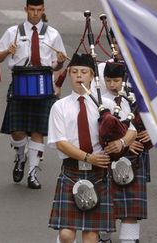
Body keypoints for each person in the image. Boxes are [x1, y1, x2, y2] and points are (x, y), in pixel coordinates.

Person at [48, 53, 136, 243]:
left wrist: (120, 143)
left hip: (98, 173)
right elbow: (60, 142)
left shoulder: (107, 105)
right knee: (66, 234)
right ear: (70, 75)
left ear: (92, 76)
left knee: (90, 236)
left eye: (84, 72)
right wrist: (88, 157)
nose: (79, 76)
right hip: (71, 171)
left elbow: (132, 131)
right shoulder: (60, 107)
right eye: (74, 72)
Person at [0, 0, 66, 189]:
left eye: (38, 10)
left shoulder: (52, 34)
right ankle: (20, 156)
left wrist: (59, 62)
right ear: (26, 10)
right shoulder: (13, 32)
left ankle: (33, 173)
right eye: (32, 10)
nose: (35, 13)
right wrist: (8, 51)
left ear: (43, 10)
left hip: (43, 82)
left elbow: (58, 64)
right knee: (17, 130)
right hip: (20, 81)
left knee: (38, 130)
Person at [101, 62, 150, 243]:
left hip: (133, 160)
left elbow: (149, 125)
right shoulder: (99, 100)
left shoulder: (135, 100)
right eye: (108, 80)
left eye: (116, 80)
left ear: (124, 79)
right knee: (106, 206)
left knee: (131, 211)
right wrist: (126, 143)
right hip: (107, 158)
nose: (112, 84)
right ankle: (103, 239)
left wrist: (150, 134)